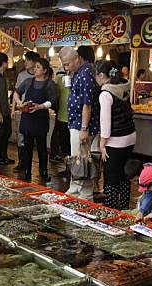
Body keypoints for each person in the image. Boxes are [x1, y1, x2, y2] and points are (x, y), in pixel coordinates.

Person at [95, 60, 136, 210]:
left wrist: (102, 144)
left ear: (101, 75)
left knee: (111, 176)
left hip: (115, 140)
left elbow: (105, 122)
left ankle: (110, 209)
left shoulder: (106, 93)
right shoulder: (123, 85)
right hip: (130, 136)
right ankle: (124, 208)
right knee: (124, 174)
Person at [62, 46, 99, 201]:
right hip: (76, 123)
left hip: (82, 125)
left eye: (68, 64)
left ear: (77, 58)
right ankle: (76, 188)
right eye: (64, 65)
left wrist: (84, 127)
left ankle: (84, 193)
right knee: (77, 157)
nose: (66, 67)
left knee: (83, 158)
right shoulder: (79, 73)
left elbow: (87, 104)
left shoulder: (85, 74)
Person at [13, 58, 58, 182]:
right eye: (35, 67)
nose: (35, 69)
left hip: (41, 119)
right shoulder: (28, 82)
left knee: (42, 148)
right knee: (27, 147)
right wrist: (20, 103)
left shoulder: (50, 84)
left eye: (38, 67)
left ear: (44, 71)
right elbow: (16, 93)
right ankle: (27, 171)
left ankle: (43, 171)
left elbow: (53, 102)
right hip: (28, 118)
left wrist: (41, 106)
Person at [14, 51, 41, 171]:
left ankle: (38, 167)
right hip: (23, 109)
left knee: (36, 139)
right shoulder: (22, 76)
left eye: (27, 60)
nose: (25, 62)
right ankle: (22, 163)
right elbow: (16, 92)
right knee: (21, 137)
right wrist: (15, 107)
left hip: (37, 110)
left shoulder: (40, 76)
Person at [49, 68, 71, 166]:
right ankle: (69, 167)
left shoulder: (58, 80)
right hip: (66, 115)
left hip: (62, 115)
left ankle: (67, 166)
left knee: (64, 141)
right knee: (67, 143)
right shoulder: (64, 79)